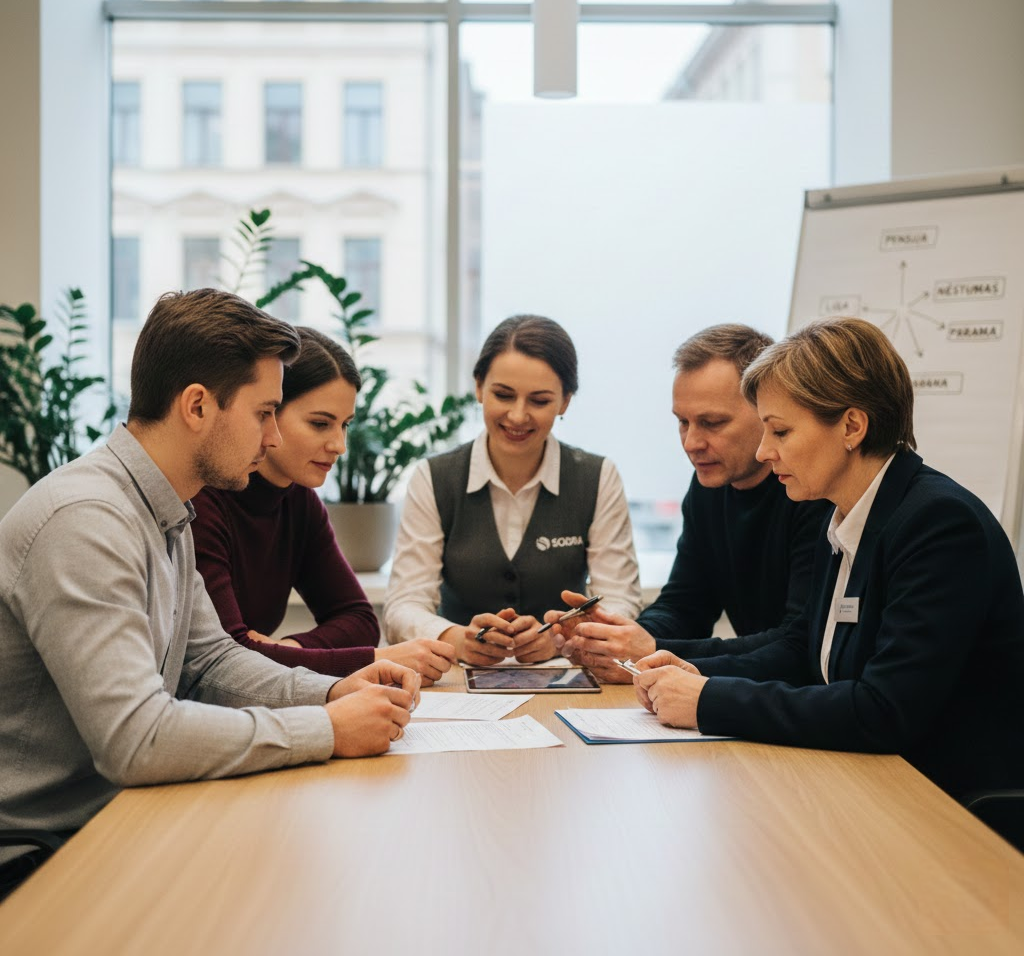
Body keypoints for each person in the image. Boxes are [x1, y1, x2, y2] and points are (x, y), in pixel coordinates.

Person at [0, 289, 419, 898]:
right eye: (264, 413)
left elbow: (210, 661)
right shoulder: (86, 520)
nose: (275, 438)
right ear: (197, 405)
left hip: (114, 820)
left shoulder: (168, 510)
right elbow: (135, 740)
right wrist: (327, 728)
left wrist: (334, 689)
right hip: (37, 853)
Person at [632, 316, 1024, 800]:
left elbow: (884, 710)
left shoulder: (938, 524)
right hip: (873, 783)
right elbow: (803, 650)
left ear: (851, 427)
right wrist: (692, 672)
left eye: (779, 432)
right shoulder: (844, 513)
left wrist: (711, 700)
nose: (765, 451)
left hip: (954, 805)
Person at [556, 324, 831, 682]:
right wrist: (616, 634)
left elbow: (797, 643)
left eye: (712, 423)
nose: (691, 442)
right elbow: (686, 605)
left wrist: (652, 650)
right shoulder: (709, 486)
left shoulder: (811, 491)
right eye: (682, 422)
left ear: (766, 412)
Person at [192, 326, 455, 684]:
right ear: (267, 412)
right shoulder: (202, 500)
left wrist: (289, 648)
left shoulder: (299, 501)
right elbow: (229, 658)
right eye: (320, 424)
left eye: (345, 425)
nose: (339, 445)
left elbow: (359, 620)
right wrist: (375, 659)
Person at [383, 314, 642, 665]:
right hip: (458, 679)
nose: (518, 416)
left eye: (539, 401)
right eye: (503, 395)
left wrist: (562, 636)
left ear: (565, 401)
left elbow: (620, 600)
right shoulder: (434, 477)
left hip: (564, 674)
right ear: (478, 387)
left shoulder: (598, 477)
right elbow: (403, 604)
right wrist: (456, 638)